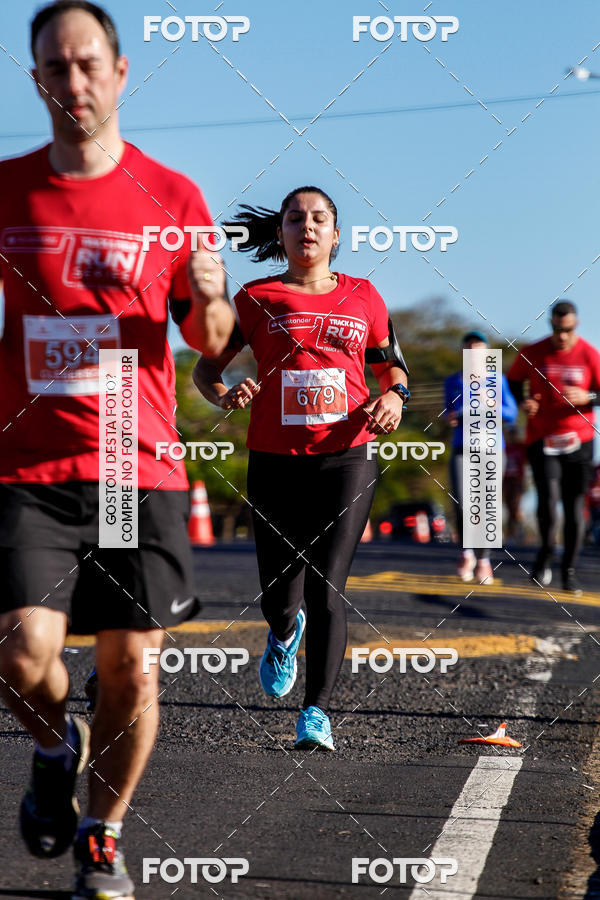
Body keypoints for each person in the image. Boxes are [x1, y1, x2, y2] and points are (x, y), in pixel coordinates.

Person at [0, 3, 233, 898]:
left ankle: (103, 834)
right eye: (56, 70)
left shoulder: (172, 199)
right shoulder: (10, 193)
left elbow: (210, 338)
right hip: (29, 465)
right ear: (37, 82)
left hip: (138, 464)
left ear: (121, 72)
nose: (75, 84)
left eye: (88, 64)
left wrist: (211, 296)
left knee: (131, 664)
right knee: (21, 652)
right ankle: (57, 746)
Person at [193, 186, 410, 751]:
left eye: (319, 219)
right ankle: (283, 633)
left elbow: (392, 367)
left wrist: (395, 398)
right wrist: (224, 394)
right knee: (278, 593)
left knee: (327, 586)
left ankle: (316, 712)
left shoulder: (365, 296)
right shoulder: (256, 298)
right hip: (275, 458)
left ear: (336, 236)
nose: (307, 227)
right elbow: (205, 370)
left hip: (348, 455)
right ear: (282, 233)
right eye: (295, 219)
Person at [508, 300, 600, 594]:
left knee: (574, 507)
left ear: (576, 325)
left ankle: (568, 571)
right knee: (547, 502)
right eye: (557, 329)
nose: (562, 335)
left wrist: (588, 397)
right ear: (551, 324)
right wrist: (525, 401)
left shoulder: (589, 354)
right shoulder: (533, 352)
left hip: (580, 440)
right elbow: (511, 381)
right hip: (542, 439)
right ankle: (545, 553)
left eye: (568, 329)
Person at [444, 331, 517, 583]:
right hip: (462, 446)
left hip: (491, 448)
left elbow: (512, 414)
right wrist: (452, 416)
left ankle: (484, 559)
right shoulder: (453, 381)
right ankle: (466, 552)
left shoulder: (498, 380)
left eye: (479, 351)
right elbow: (449, 411)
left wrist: (493, 405)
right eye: (469, 351)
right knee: (462, 502)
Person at [503, 426, 527, 542]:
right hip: (506, 480)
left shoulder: (521, 447)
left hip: (518, 480)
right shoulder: (505, 448)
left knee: (515, 506)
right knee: (509, 507)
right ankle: (511, 533)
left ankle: (517, 531)